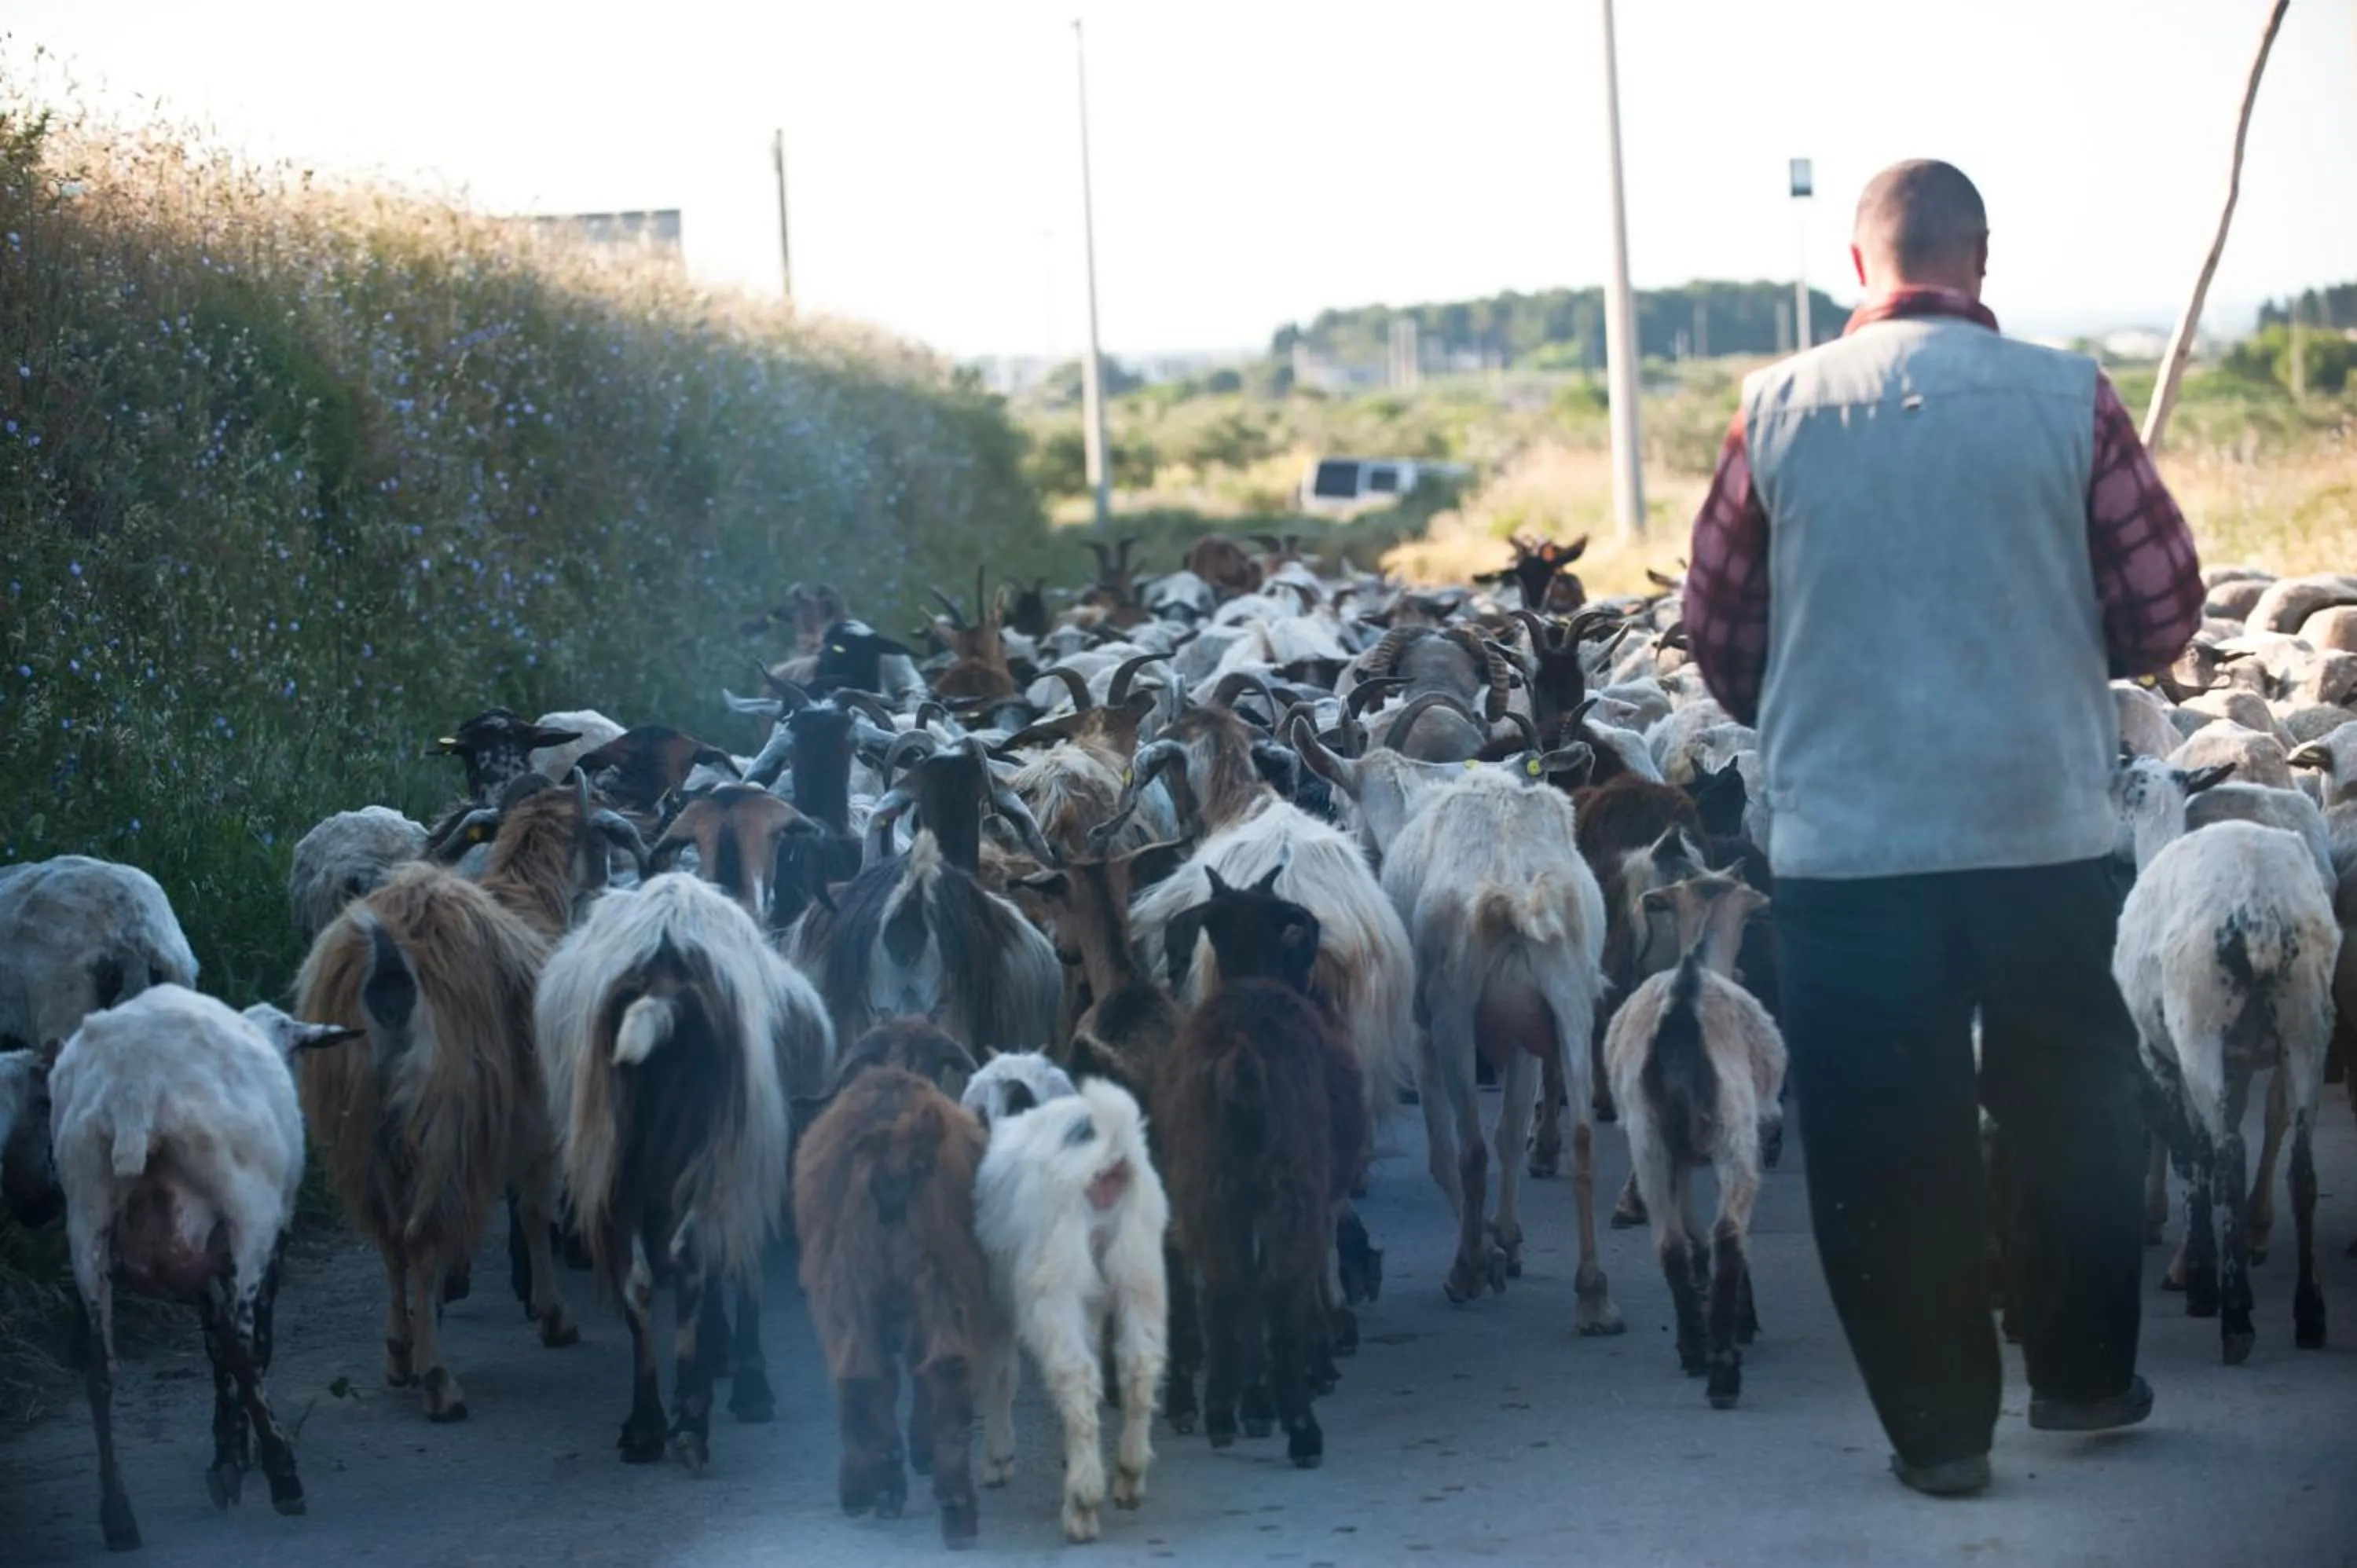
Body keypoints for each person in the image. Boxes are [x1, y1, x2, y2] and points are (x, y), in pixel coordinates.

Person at [1682, 159, 2205, 1497]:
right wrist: (2053, 646)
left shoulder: (1773, 410)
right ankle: (2083, 1378)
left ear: (1860, 267)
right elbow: (2162, 608)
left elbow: (1721, 633)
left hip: (1850, 846)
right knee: (2072, 1101)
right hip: (2040, 827)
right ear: (1981, 259)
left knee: (1881, 1136)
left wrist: (1819, 702)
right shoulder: (2069, 397)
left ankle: (1939, 1433)